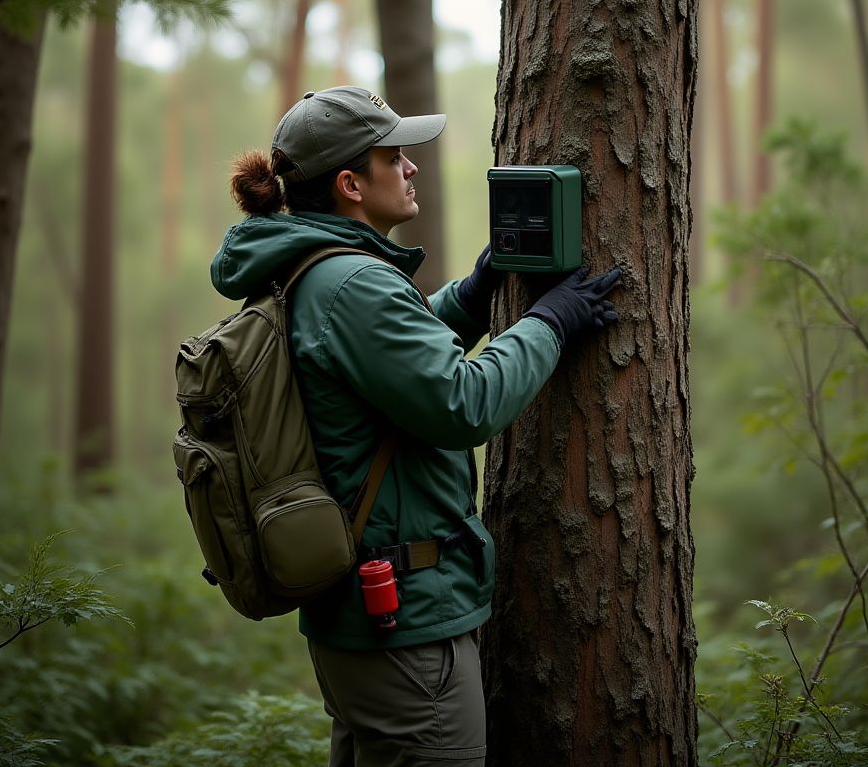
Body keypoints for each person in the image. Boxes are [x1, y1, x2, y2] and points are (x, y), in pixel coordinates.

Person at [211, 86, 621, 767]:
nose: (412, 168)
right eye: (394, 156)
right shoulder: (355, 283)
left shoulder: (307, 266)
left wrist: (472, 294)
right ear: (350, 183)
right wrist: (551, 321)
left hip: (363, 619)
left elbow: (373, 365)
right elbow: (465, 405)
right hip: (402, 629)